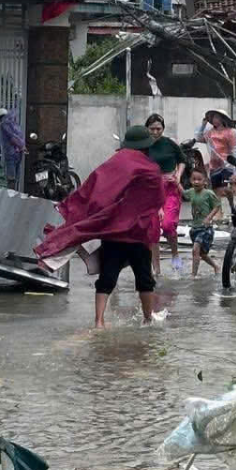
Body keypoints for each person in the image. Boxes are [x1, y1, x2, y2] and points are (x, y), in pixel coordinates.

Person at [35, 126, 164, 327]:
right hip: (138, 234)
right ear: (146, 147)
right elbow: (156, 200)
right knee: (144, 279)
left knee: (107, 276)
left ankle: (99, 321)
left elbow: (96, 189)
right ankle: (148, 319)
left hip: (114, 233)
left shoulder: (116, 162)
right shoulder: (152, 169)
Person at [144, 114, 186, 276]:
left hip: (170, 189)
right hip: (150, 191)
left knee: (168, 225)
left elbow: (182, 160)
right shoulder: (143, 146)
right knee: (153, 230)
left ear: (163, 129)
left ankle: (175, 253)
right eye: (152, 128)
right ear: (147, 129)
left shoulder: (169, 143)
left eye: (158, 128)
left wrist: (178, 175)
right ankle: (157, 270)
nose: (155, 132)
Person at [184, 169, 222, 277]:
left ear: (205, 181)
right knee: (201, 254)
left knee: (195, 250)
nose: (196, 182)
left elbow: (217, 205)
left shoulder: (208, 193)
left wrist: (209, 217)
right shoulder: (191, 192)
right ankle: (215, 266)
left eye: (199, 179)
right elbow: (182, 193)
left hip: (205, 228)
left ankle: (193, 275)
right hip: (194, 228)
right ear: (191, 180)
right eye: (194, 179)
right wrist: (176, 182)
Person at [194, 109, 236, 200]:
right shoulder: (210, 132)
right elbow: (198, 138)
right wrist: (203, 125)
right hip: (214, 166)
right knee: (216, 191)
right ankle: (219, 212)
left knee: (226, 190)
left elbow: (235, 150)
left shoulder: (230, 132)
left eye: (216, 117)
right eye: (213, 118)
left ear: (222, 119)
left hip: (227, 165)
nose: (214, 120)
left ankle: (231, 207)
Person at [0, 107, 26, 189]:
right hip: (14, 153)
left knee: (13, 178)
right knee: (12, 178)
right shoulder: (7, 125)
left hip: (13, 153)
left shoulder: (7, 125)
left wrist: (21, 146)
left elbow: (14, 137)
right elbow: (13, 137)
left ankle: (11, 195)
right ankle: (11, 195)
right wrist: (22, 146)